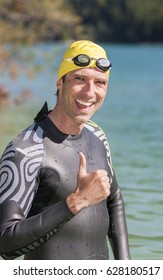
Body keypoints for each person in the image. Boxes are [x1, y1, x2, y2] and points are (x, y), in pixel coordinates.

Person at [0, 40, 130, 260]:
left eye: (100, 82)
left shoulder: (97, 136)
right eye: (80, 79)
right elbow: (5, 243)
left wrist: (126, 268)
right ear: (60, 82)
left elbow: (114, 200)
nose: (90, 92)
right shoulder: (26, 149)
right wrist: (76, 202)